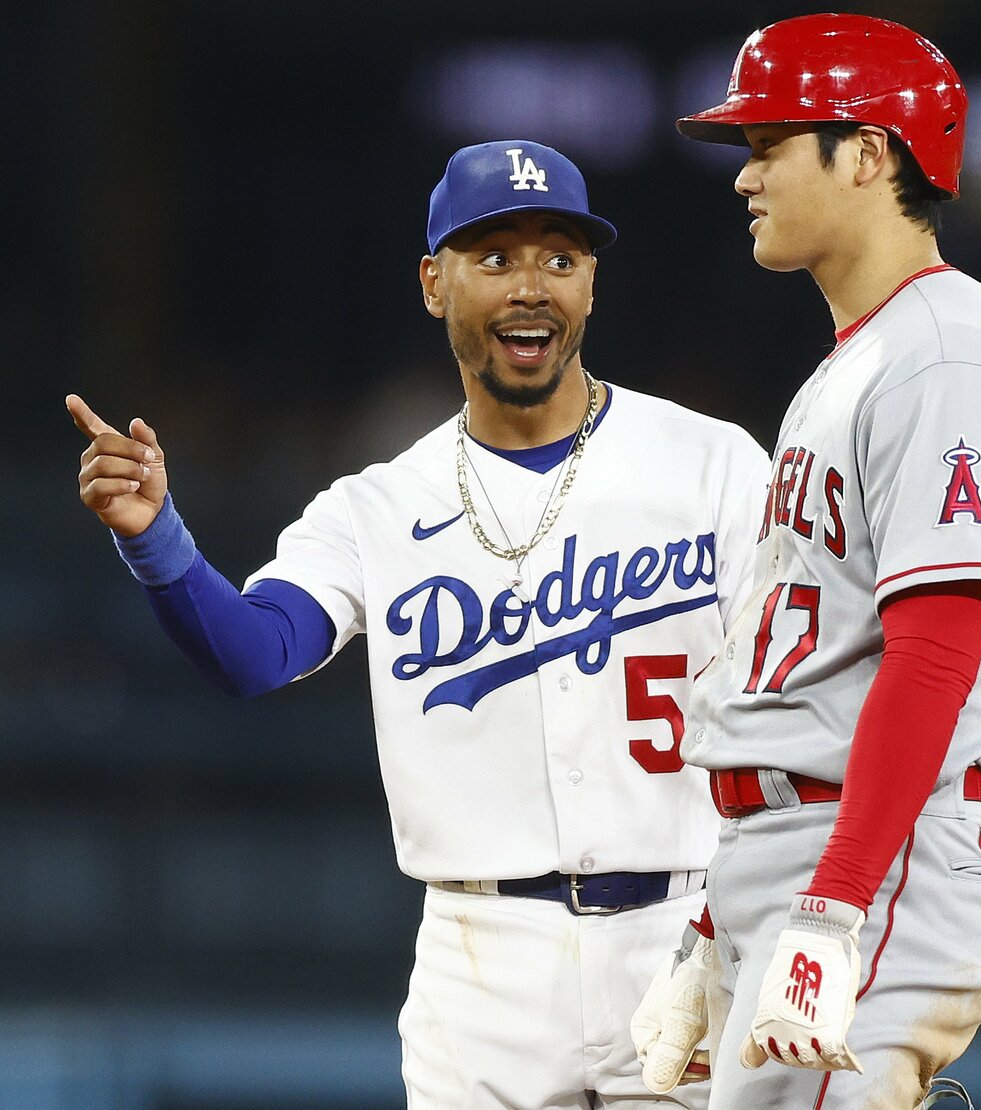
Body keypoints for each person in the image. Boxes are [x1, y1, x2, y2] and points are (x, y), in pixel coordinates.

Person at [68, 139, 768, 1109]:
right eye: (495, 258)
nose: (531, 286)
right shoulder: (377, 506)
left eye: (560, 258)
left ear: (593, 285)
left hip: (689, 927)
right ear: (435, 284)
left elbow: (805, 694)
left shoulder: (716, 465)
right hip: (484, 966)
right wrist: (159, 541)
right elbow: (259, 653)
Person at [630, 15, 981, 1109]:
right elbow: (812, 664)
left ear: (869, 153)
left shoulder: (948, 357)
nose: (746, 176)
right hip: (793, 850)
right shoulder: (859, 360)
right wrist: (713, 922)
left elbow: (932, 661)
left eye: (772, 142)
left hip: (874, 860)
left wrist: (831, 907)